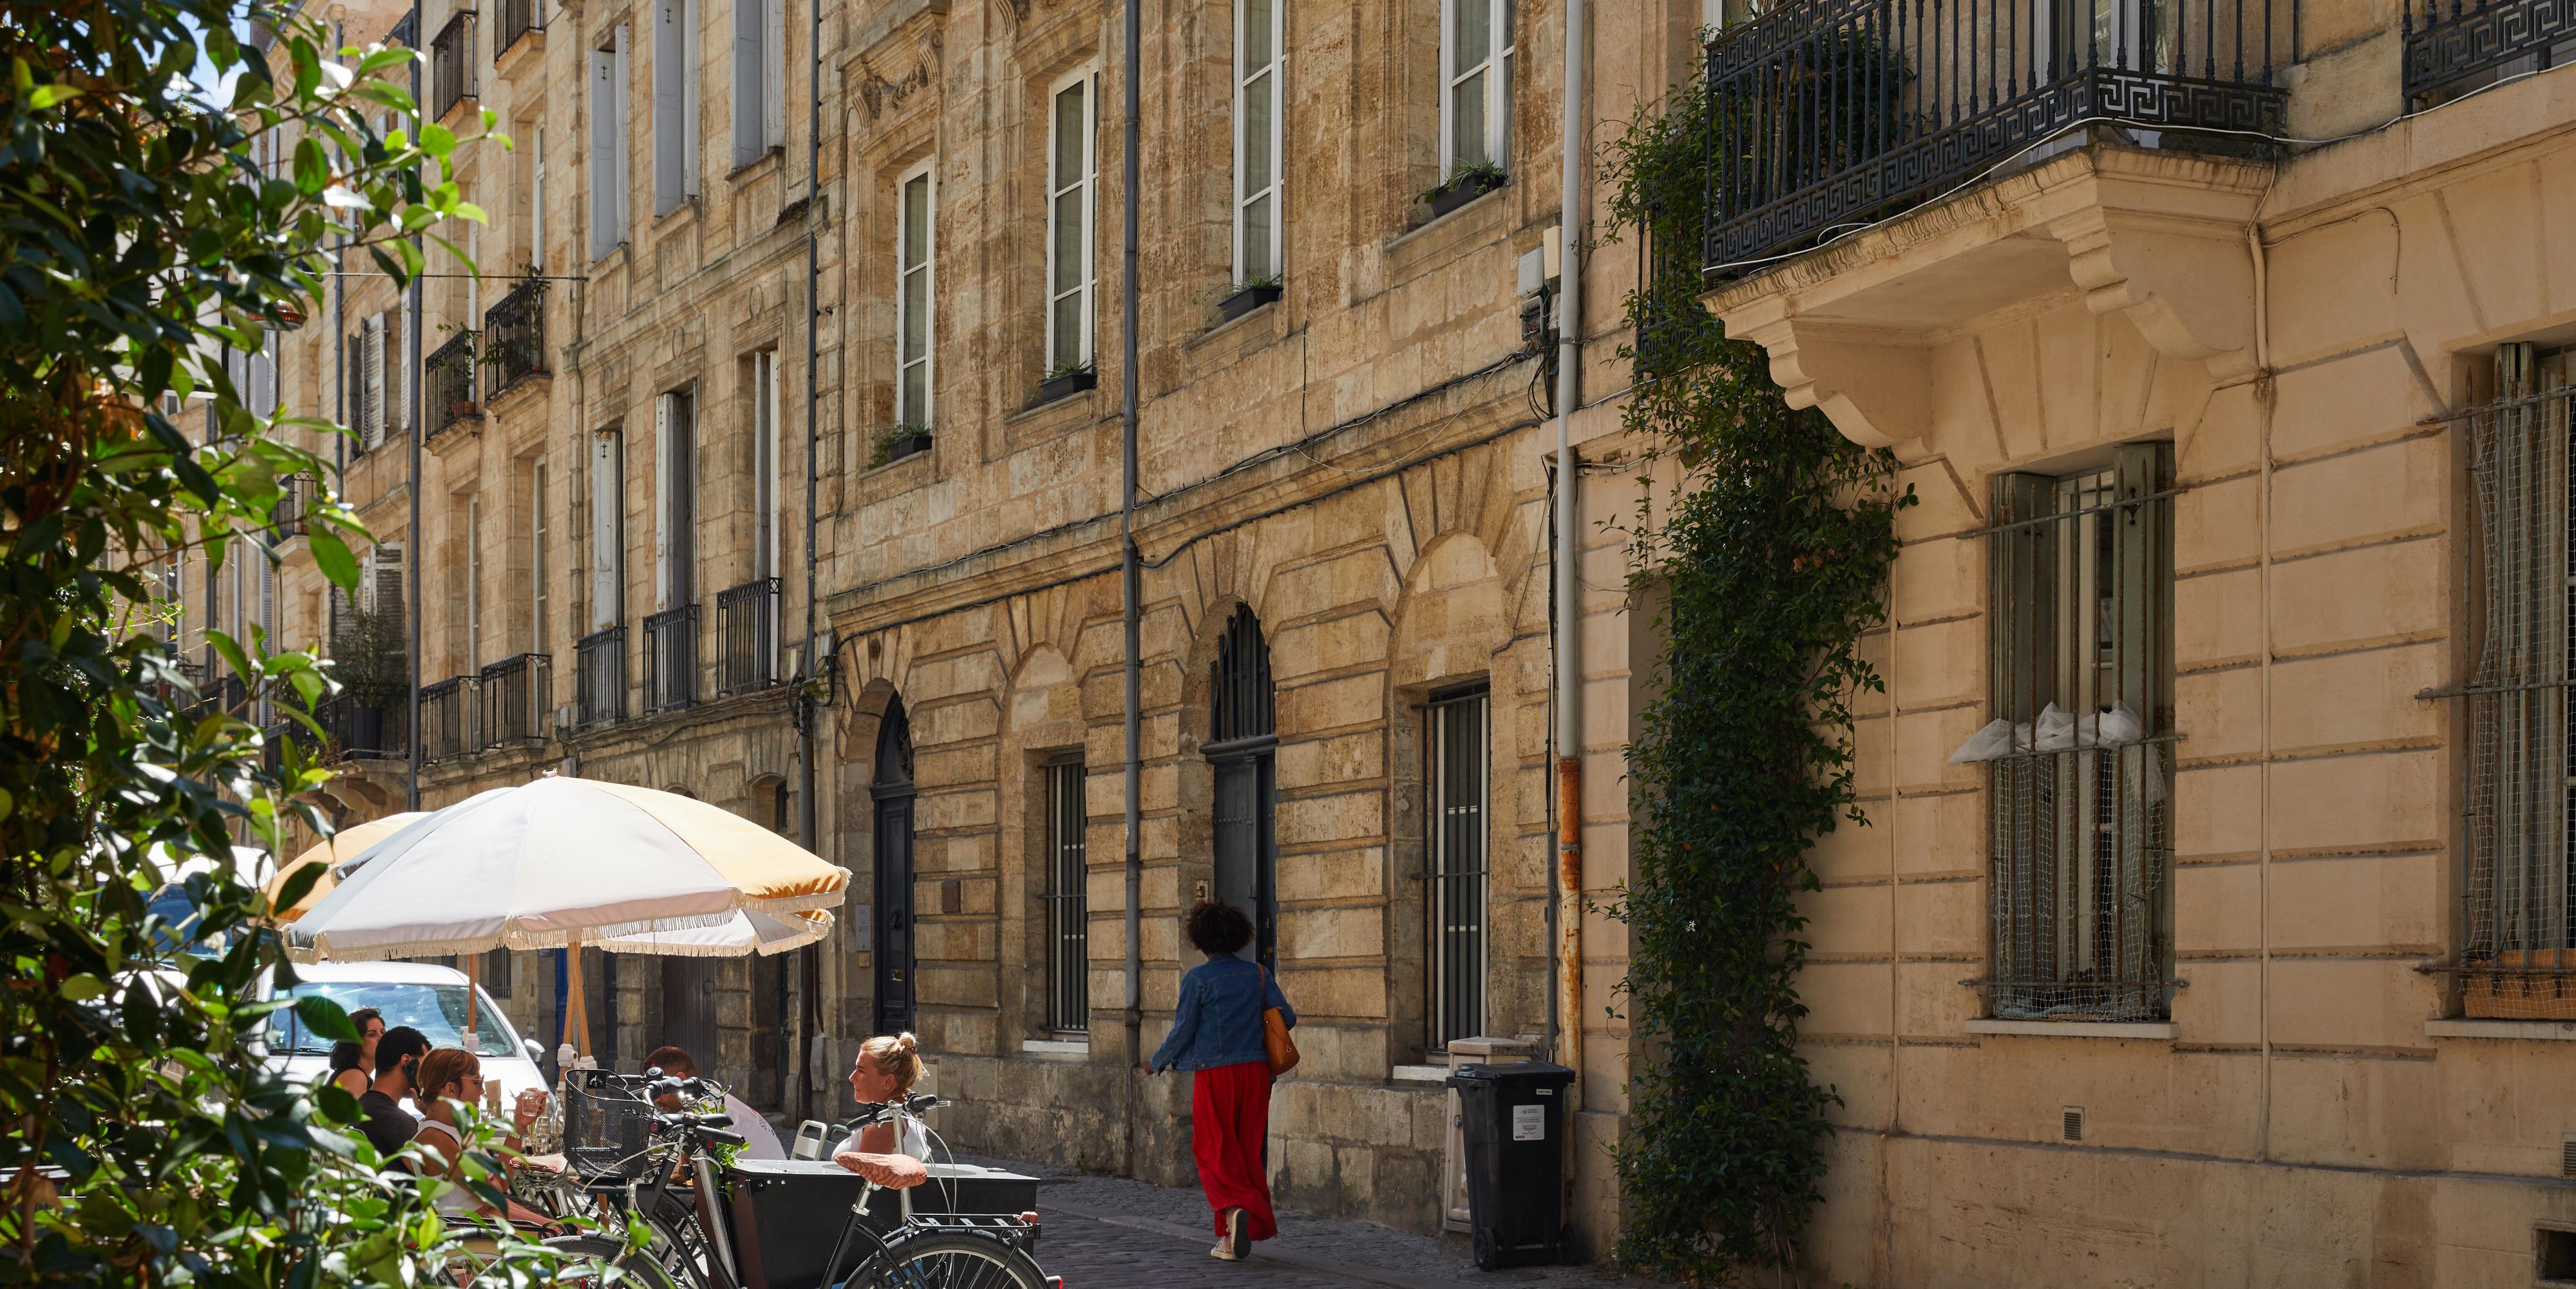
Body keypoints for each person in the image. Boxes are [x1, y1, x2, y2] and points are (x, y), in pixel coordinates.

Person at [1149, 901, 1296, 1262]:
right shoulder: (1259, 974)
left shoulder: (1197, 980)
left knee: (1212, 1149)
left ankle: (1234, 1211)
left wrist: (1157, 1061)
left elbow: (1183, 1030)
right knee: (1246, 1151)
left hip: (1216, 1073)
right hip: (1257, 1073)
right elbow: (1287, 1018)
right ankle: (1230, 1240)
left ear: (1200, 939)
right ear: (1238, 936)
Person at [412, 1047, 562, 1231]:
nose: (482, 1091)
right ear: (451, 1089)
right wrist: (494, 1182)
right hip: (478, 1230)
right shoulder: (436, 1139)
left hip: (489, 1219)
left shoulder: (453, 1130)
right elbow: (493, 1193)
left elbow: (502, 1184)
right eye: (477, 1082)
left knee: (573, 1233)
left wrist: (518, 1125)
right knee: (569, 1237)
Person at [639, 1044, 788, 1161]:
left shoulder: (707, 1109)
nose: (655, 1099)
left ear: (680, 1080)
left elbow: (693, 1171)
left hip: (762, 1186)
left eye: (660, 1089)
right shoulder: (711, 1097)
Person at [832, 1034, 930, 1190]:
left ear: (887, 1082)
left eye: (861, 1071)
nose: (852, 1077)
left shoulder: (883, 1124)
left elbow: (866, 1189)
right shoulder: (906, 1113)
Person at [357, 1025, 433, 1162]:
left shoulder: (360, 1107)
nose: (427, 1075)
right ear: (407, 1062)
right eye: (425, 1066)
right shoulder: (396, 1121)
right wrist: (434, 1117)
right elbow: (439, 1168)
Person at [324, 1007, 385, 1100]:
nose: (381, 1038)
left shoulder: (355, 1073)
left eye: (383, 1032)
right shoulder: (355, 1076)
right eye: (372, 1034)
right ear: (355, 1042)